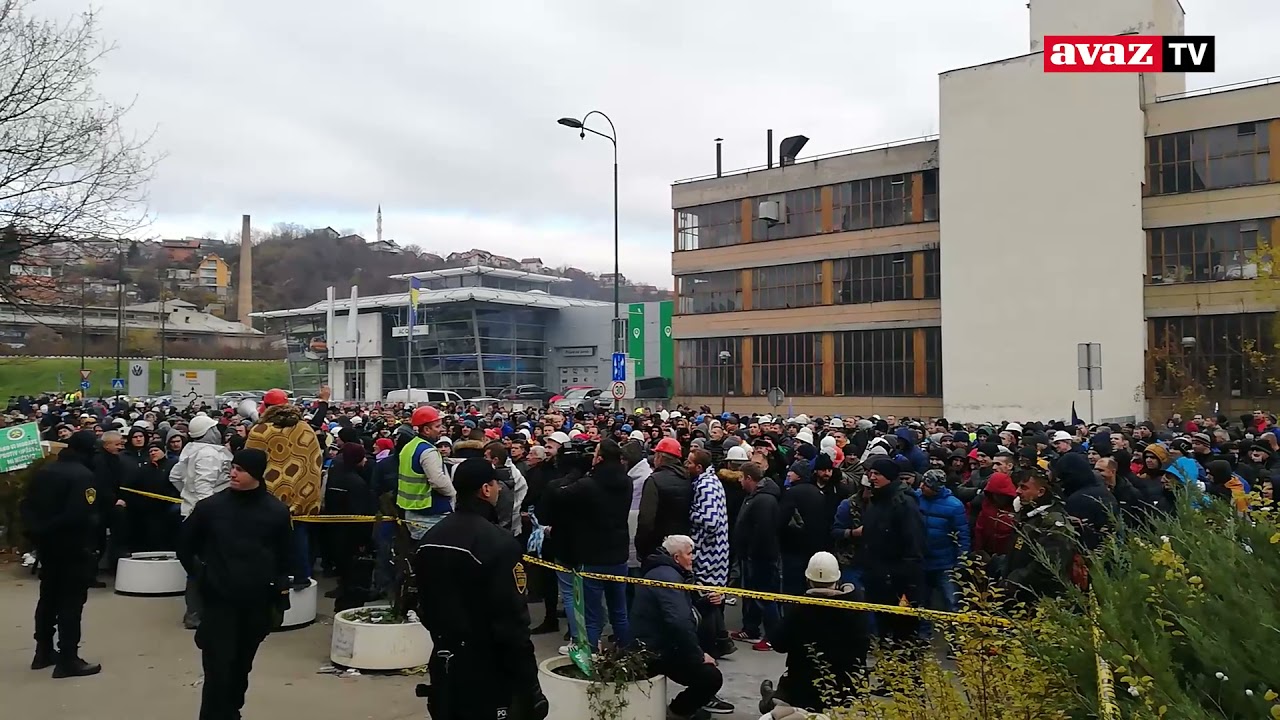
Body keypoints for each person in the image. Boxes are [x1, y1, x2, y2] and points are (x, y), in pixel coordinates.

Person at [413, 458, 548, 720]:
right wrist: (530, 685)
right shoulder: (499, 543)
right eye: (496, 483)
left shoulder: (431, 538)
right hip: (488, 668)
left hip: (444, 660)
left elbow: (423, 603)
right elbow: (513, 621)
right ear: (486, 489)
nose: (498, 489)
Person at [178, 448, 293, 720]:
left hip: (256, 604)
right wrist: (202, 575)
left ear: (256, 473)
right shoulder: (211, 508)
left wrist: (279, 595)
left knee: (241, 667)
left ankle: (232, 712)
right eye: (232, 467)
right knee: (218, 668)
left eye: (240, 469)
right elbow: (184, 545)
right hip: (219, 602)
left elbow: (284, 557)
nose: (233, 473)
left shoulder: (275, 511)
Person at [21, 430, 103, 677]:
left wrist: (39, 533)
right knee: (71, 602)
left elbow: (27, 506)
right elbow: (79, 515)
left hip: (47, 546)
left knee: (48, 598)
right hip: (73, 546)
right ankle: (68, 658)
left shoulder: (45, 472)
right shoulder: (83, 476)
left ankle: (42, 651)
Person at [631, 534, 731, 720]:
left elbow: (681, 612)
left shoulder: (667, 573)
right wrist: (698, 655)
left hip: (659, 643)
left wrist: (705, 602)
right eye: (689, 553)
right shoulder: (668, 577)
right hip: (655, 649)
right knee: (711, 677)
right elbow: (680, 622)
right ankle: (678, 712)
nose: (693, 558)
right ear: (677, 557)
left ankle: (683, 709)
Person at [759, 551, 869, 714]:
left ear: (808, 580)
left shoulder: (801, 609)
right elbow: (864, 644)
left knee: (780, 703)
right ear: (837, 579)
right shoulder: (855, 606)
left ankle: (772, 701)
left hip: (803, 686)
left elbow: (778, 643)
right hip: (847, 687)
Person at [244, 388, 327, 589]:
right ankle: (301, 577)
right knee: (299, 534)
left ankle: (273, 577)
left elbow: (248, 461)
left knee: (269, 540)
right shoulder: (304, 428)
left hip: (271, 496)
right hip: (304, 495)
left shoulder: (261, 430)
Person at [396, 404, 456, 539]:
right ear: (426, 429)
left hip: (412, 510)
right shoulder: (428, 451)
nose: (441, 429)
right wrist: (453, 495)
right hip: (430, 513)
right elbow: (438, 482)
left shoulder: (410, 446)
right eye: (437, 426)